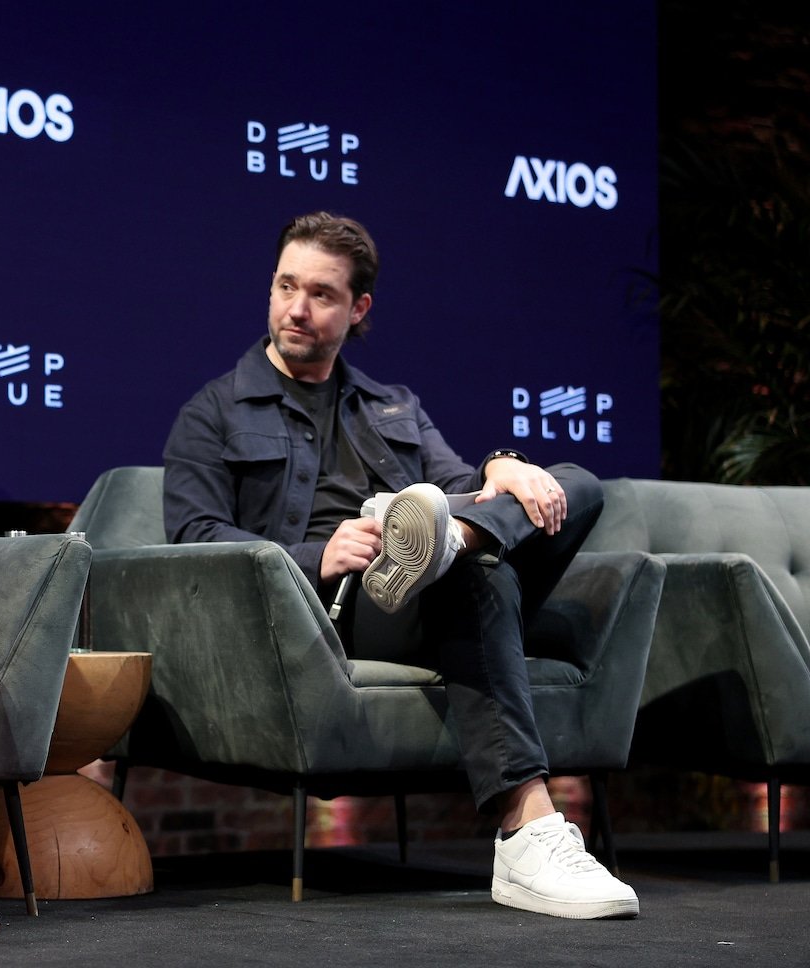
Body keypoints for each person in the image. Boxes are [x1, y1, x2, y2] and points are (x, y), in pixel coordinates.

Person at [162, 211, 639, 921]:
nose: (297, 308)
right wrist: (316, 556)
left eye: (321, 294)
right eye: (286, 286)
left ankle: (456, 543)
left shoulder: (393, 406)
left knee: (576, 483)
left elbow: (460, 482)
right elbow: (192, 538)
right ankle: (527, 830)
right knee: (476, 576)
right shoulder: (214, 411)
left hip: (427, 577)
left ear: (358, 309)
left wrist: (502, 466)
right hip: (339, 605)